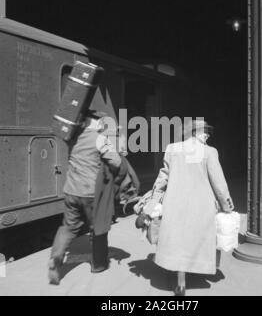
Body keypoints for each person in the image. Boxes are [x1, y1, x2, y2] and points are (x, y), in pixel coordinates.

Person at [143, 119, 234, 296]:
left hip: (174, 203)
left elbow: (163, 177)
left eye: (208, 131)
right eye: (204, 131)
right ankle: (188, 275)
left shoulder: (172, 149)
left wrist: (153, 201)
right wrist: (226, 205)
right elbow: (219, 184)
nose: (207, 134)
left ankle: (180, 282)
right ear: (193, 132)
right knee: (194, 240)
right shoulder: (209, 152)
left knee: (178, 241)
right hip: (201, 206)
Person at [48, 110, 125, 285]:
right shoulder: (99, 138)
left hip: (71, 190)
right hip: (91, 193)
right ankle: (98, 265)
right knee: (98, 228)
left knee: (68, 227)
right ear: (96, 122)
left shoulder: (73, 137)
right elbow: (116, 162)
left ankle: (56, 257)